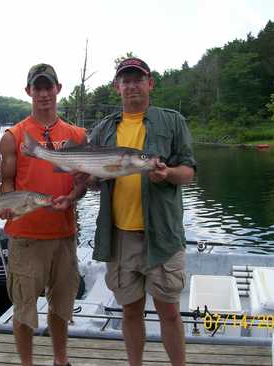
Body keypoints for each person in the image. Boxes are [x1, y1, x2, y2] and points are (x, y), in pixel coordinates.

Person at [88, 57, 197, 366]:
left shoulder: (172, 121)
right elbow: (94, 182)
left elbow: (188, 172)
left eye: (138, 79)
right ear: (116, 87)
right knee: (131, 310)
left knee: (169, 311)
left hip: (162, 234)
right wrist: (90, 177)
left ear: (150, 83)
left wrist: (168, 175)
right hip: (119, 236)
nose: (132, 85)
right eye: (126, 79)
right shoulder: (103, 129)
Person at [0, 63, 86, 366]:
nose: (44, 93)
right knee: (23, 309)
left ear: (58, 89)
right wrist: (6, 202)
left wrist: (73, 196)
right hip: (25, 237)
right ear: (28, 92)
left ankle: (61, 361)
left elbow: (82, 182)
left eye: (49, 87)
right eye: (38, 87)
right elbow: (7, 180)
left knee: (62, 306)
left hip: (64, 234)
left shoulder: (76, 135)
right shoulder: (14, 136)